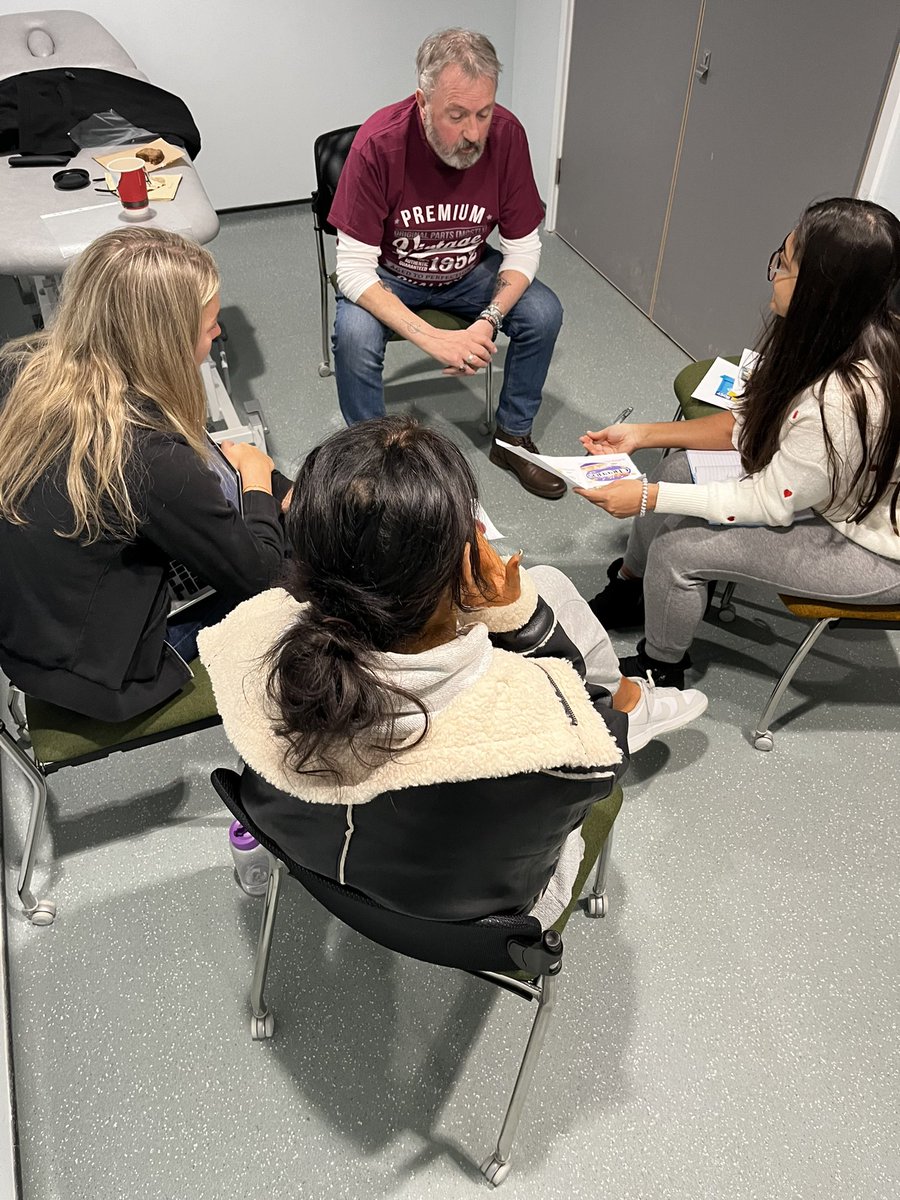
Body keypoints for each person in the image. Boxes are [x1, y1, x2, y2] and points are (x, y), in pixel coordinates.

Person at [199, 418, 706, 927]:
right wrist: (522, 621)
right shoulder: (548, 727)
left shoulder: (243, 641)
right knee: (549, 591)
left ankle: (627, 697)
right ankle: (630, 701)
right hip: (481, 913)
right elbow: (596, 746)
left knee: (549, 590)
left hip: (319, 869)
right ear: (469, 556)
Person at [575, 197, 900, 687]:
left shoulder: (842, 396)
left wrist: (644, 497)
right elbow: (749, 422)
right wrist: (642, 435)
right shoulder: (835, 335)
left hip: (873, 549)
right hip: (834, 493)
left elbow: (768, 502)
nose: (773, 272)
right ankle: (630, 589)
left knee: (680, 547)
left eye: (785, 265)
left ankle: (661, 667)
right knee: (680, 468)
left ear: (820, 291)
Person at [0, 227, 289, 722]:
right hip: (104, 676)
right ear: (165, 342)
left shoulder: (20, 368)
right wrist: (259, 482)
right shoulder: (148, 452)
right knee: (294, 566)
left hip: (26, 630)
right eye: (209, 326)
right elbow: (260, 577)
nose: (218, 335)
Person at [328, 27, 566, 501]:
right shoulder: (379, 144)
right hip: (390, 274)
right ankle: (373, 462)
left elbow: (522, 248)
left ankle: (512, 439)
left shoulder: (507, 136)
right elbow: (352, 269)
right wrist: (433, 338)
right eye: (456, 115)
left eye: (484, 112)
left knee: (543, 312)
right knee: (354, 336)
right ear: (422, 102)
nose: (474, 132)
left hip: (468, 270)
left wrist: (488, 319)